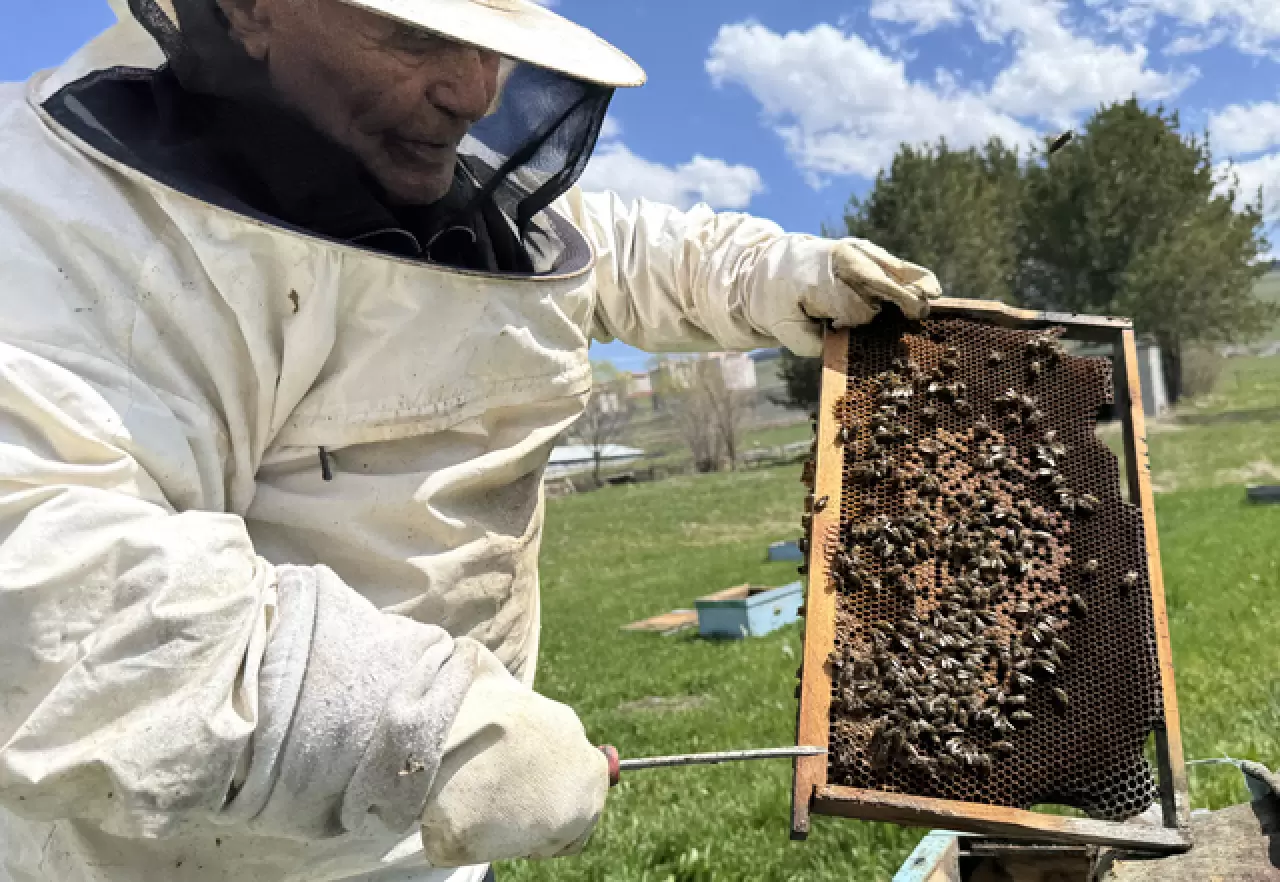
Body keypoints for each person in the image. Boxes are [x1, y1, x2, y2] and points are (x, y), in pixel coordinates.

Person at [0, 1, 940, 880]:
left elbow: (634, 248)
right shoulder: (57, 219)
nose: (478, 88)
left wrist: (784, 272)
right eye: (417, 34)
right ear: (249, 8)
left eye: (493, 40)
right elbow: (51, 588)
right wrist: (429, 725)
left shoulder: (463, 190)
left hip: (437, 827)